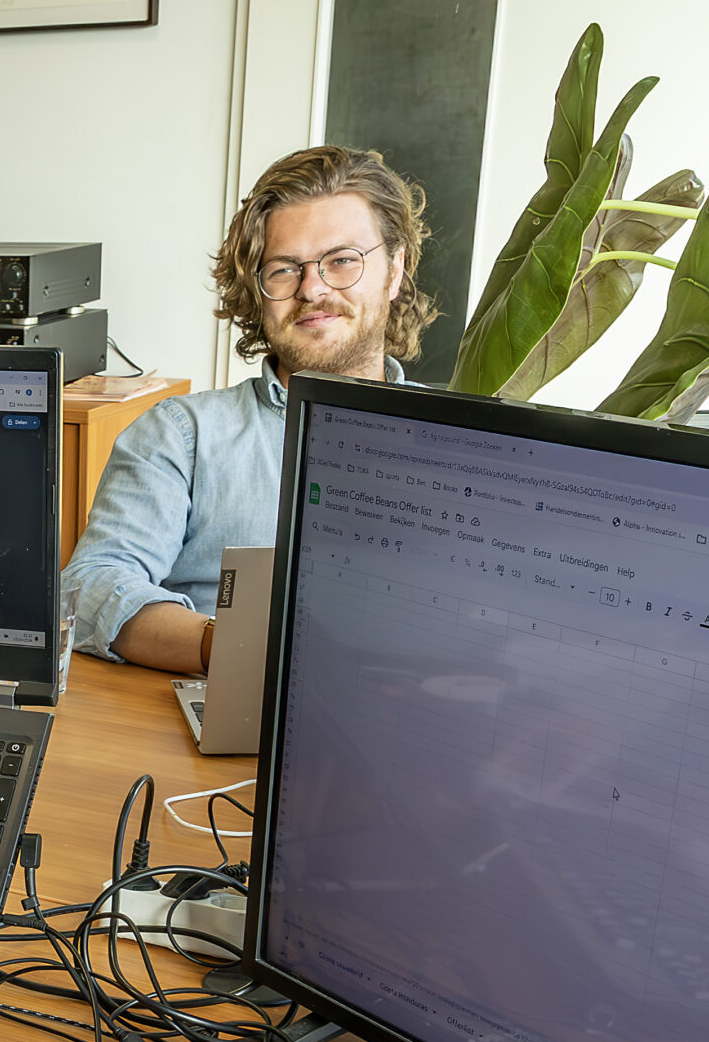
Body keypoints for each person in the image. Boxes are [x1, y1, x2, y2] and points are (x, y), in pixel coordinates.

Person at [64, 144, 436, 673]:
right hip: (223, 702)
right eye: (284, 269)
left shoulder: (458, 447)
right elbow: (88, 587)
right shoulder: (181, 436)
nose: (312, 288)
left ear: (394, 270)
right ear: (257, 290)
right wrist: (237, 648)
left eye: (342, 261)